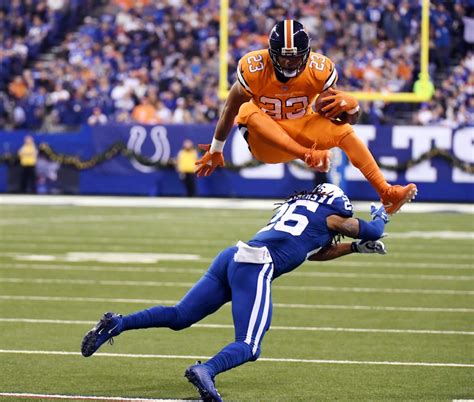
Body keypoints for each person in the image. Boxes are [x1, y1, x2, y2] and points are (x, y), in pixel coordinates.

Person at [81, 183, 389, 401]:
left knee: (180, 315)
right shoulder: (330, 214)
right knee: (250, 344)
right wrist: (382, 213)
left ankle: (118, 323)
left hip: (232, 256)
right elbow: (373, 229)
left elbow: (315, 252)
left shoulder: (301, 211)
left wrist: (356, 248)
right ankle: (206, 370)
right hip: (256, 265)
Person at [195, 19, 417, 215]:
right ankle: (307, 155)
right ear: (272, 53)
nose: (290, 63)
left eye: (296, 57)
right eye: (284, 58)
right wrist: (216, 149)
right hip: (266, 140)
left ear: (307, 53)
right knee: (245, 110)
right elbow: (230, 109)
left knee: (344, 132)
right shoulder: (254, 68)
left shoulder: (319, 69)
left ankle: (387, 192)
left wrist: (353, 109)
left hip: (302, 129)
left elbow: (342, 119)